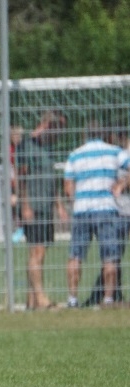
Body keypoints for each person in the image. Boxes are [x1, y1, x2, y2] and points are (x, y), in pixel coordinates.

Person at [62, 122, 129, 308]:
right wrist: (121, 185)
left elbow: (68, 186)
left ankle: (72, 299)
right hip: (106, 208)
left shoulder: (75, 154)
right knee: (109, 255)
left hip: (82, 209)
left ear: (85, 135)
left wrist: (75, 200)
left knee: (76, 255)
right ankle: (108, 299)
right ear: (104, 135)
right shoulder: (114, 151)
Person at [15, 110, 67, 310]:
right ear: (48, 125)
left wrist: (59, 205)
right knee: (37, 251)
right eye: (59, 129)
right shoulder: (27, 145)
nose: (60, 135)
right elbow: (21, 178)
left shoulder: (48, 148)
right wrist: (25, 205)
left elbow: (51, 180)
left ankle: (32, 300)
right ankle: (41, 298)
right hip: (33, 207)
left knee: (39, 253)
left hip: (46, 207)